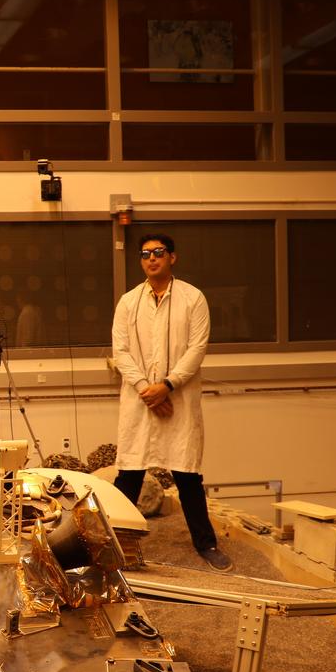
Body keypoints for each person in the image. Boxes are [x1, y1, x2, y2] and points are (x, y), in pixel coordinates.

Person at [110, 234, 231, 571]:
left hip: (177, 398)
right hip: (140, 399)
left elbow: (197, 349)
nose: (152, 259)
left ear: (172, 258)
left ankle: (205, 544)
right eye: (146, 254)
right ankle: (112, 545)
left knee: (187, 474)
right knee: (129, 474)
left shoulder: (193, 299)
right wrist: (146, 390)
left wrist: (167, 386)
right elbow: (120, 351)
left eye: (159, 253)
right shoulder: (128, 302)